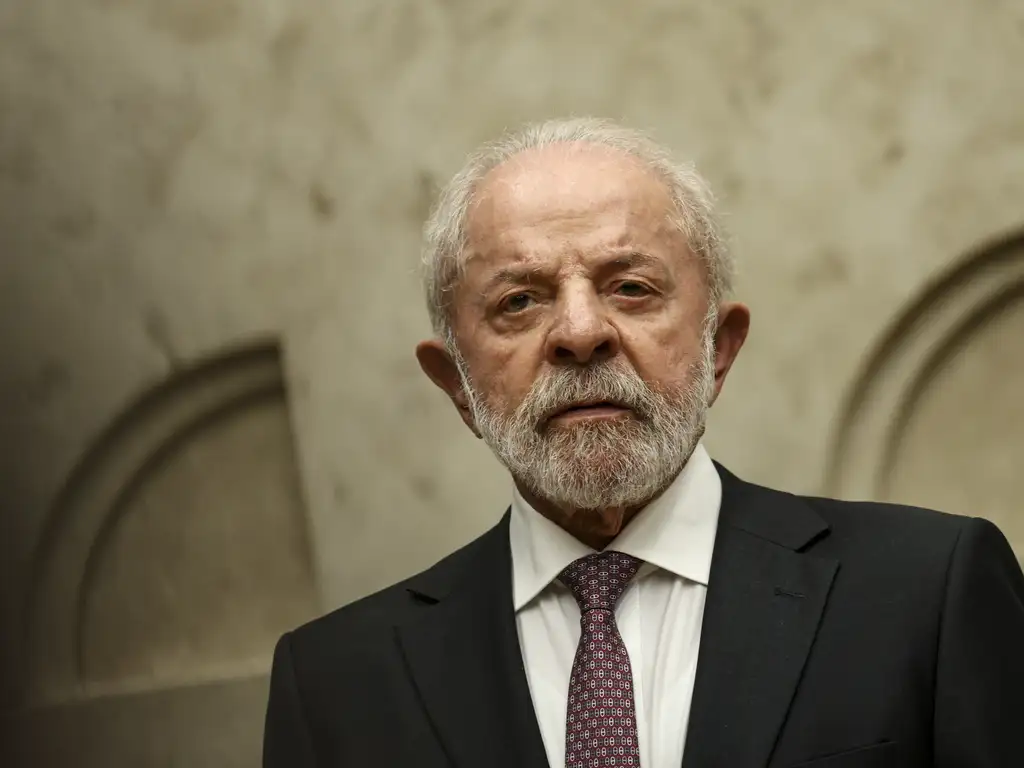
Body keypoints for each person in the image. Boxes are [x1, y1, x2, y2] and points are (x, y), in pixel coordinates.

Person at [263, 118, 1024, 767]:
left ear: (718, 348)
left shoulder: (929, 593)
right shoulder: (334, 684)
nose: (580, 332)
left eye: (631, 287)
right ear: (456, 384)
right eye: (519, 301)